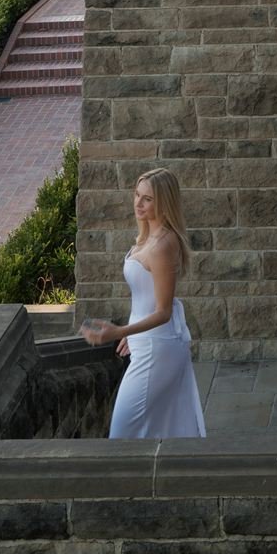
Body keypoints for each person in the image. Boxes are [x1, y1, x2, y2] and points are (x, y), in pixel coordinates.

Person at [81, 167, 207, 439]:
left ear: (164, 202)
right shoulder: (148, 236)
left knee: (122, 434)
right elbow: (144, 296)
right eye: (137, 195)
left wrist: (119, 332)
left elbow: (162, 311)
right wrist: (133, 331)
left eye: (147, 199)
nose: (138, 203)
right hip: (146, 342)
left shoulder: (162, 245)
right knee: (158, 428)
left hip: (156, 350)